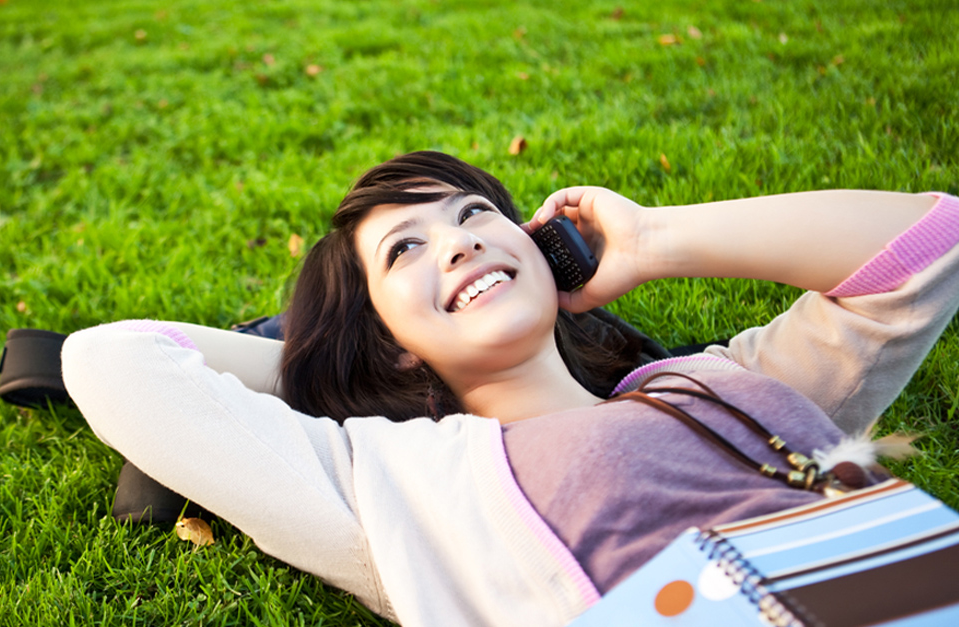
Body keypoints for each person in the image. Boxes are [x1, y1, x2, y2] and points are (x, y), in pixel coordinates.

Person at [60, 151, 959, 626]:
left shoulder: (711, 381)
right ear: (391, 344)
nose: (459, 241)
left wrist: (655, 241)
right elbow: (111, 361)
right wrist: (332, 359)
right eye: (404, 250)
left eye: (474, 214)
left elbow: (925, 246)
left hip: (909, 580)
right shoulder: (398, 483)